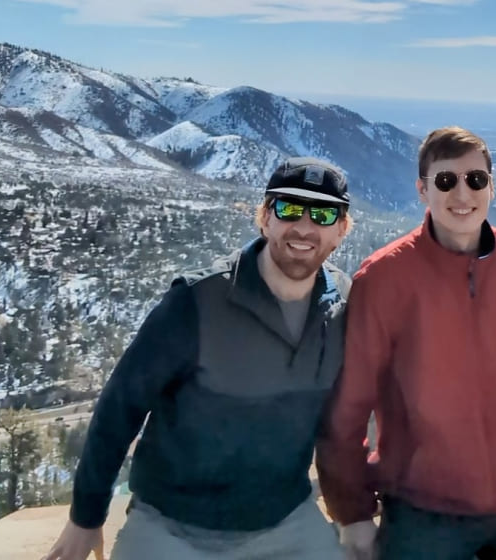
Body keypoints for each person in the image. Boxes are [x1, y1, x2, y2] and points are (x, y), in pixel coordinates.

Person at [43, 156, 354, 560]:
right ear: (264, 217)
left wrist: (356, 510)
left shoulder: (344, 307)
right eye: (289, 208)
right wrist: (86, 519)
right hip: (171, 527)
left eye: (324, 214)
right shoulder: (196, 302)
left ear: (341, 231)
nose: (305, 226)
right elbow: (120, 408)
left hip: (285, 521)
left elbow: (356, 414)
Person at [316, 126, 496, 560]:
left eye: (475, 179)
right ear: (423, 189)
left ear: (491, 187)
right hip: (425, 509)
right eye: (445, 180)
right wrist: (353, 513)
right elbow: (349, 406)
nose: (462, 193)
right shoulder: (384, 279)